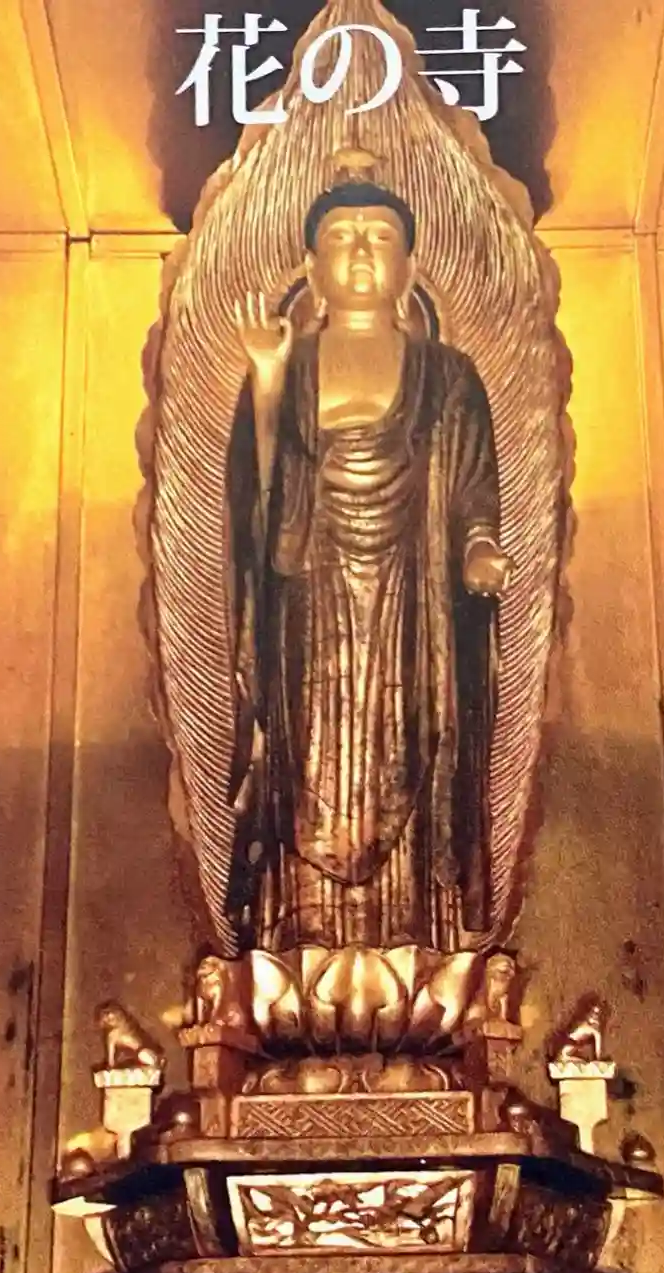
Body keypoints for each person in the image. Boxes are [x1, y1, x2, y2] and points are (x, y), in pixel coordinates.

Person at [226, 147, 512, 954]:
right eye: (340, 237)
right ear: (311, 267)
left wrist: (478, 547)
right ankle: (297, 935)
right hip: (309, 601)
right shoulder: (288, 363)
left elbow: (471, 485)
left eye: (378, 236)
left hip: (413, 603)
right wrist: (267, 379)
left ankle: (415, 938)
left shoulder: (446, 374)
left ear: (409, 266)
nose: (358, 252)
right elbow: (259, 503)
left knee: (411, 741)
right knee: (306, 758)